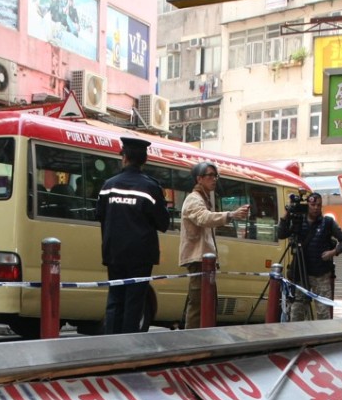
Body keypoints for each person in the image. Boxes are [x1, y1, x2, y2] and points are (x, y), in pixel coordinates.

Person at [96, 136, 171, 335]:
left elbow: (100, 215)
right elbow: (163, 223)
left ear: (124, 158)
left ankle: (111, 343)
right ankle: (129, 347)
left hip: (114, 252)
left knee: (115, 300)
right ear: (144, 160)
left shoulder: (108, 186)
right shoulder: (150, 187)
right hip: (140, 255)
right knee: (134, 302)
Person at [178, 161, 249, 329]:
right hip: (198, 260)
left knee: (207, 303)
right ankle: (193, 341)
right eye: (210, 175)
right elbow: (204, 218)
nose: (214, 179)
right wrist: (231, 214)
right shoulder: (194, 199)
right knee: (199, 304)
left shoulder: (204, 198)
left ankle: (201, 339)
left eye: (215, 175)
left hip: (203, 261)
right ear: (199, 178)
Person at [276, 191, 342, 320]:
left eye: (319, 205)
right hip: (300, 272)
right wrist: (287, 213)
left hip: (320, 273)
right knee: (297, 310)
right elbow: (281, 234)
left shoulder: (327, 222)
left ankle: (323, 338)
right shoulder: (298, 221)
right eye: (313, 205)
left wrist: (333, 252)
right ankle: (297, 337)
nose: (316, 208)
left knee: (323, 311)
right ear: (307, 205)